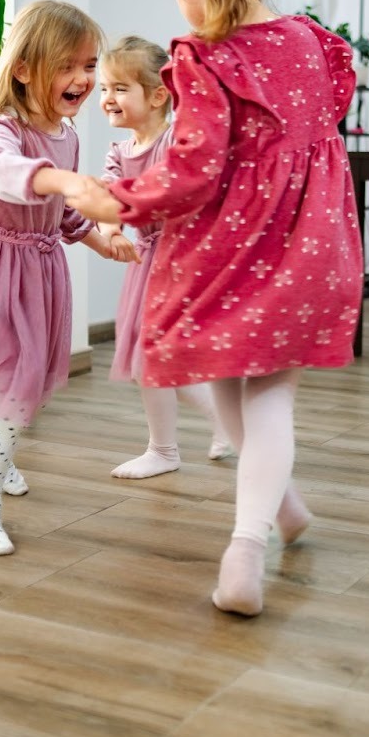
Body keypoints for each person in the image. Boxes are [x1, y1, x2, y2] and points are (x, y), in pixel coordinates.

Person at [66, 0, 363, 615]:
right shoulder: (315, 43)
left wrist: (116, 201)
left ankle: (245, 550)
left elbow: (193, 169)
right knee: (256, 387)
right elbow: (324, 125)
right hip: (310, 239)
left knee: (248, 389)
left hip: (233, 247)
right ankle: (281, 507)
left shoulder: (204, 57)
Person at [0, 0, 136, 557]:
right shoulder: (0, 129)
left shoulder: (65, 134)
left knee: (25, 383)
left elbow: (61, 215)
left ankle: (2, 453)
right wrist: (61, 180)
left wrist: (97, 237)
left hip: (37, 276)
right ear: (23, 68)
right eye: (70, 65)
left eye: (90, 65)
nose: (84, 79)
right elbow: (2, 173)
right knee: (11, 391)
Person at [95, 35, 232, 478]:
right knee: (146, 357)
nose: (107, 98)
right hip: (149, 260)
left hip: (181, 259)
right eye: (103, 89)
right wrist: (111, 230)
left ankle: (169, 448)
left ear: (157, 96)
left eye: (119, 88)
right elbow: (107, 198)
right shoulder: (119, 151)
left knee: (155, 357)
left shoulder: (175, 142)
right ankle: (198, 435)